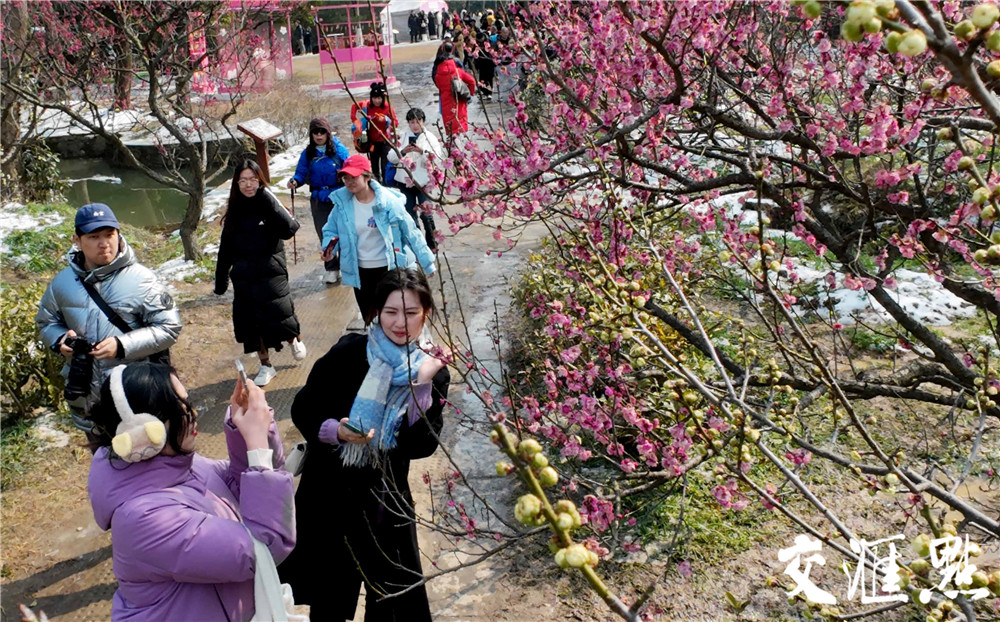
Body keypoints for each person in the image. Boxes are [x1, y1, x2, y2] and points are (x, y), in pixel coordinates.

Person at [278, 268, 450, 622]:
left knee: (389, 600)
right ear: (375, 312)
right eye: (391, 312)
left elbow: (421, 446)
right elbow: (304, 408)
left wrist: (421, 385)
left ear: (426, 313)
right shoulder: (349, 352)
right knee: (329, 599)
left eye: (411, 312)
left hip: (385, 502)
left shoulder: (432, 370)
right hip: (330, 494)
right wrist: (335, 431)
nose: (401, 322)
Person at [88, 362, 295, 621]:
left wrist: (249, 433)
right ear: (143, 433)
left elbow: (241, 487)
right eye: (180, 409)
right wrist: (256, 445)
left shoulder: (183, 465)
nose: (193, 413)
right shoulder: (142, 518)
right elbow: (264, 549)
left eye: (188, 402)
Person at [36, 203, 182, 445]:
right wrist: (60, 339)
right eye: (93, 236)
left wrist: (122, 345)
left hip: (137, 394)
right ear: (77, 240)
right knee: (105, 465)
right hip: (88, 396)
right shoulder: (62, 283)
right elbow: (46, 321)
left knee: (148, 461)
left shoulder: (142, 280)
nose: (104, 243)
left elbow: (169, 328)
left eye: (109, 234)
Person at [215, 160, 306, 387]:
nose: (248, 185)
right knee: (252, 324)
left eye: (253, 180)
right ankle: (266, 365)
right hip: (245, 276)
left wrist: (267, 200)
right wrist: (221, 279)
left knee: (280, 312)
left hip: (271, 270)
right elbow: (225, 247)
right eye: (243, 180)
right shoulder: (234, 209)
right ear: (236, 183)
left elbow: (290, 229)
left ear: (260, 180)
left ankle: (294, 338)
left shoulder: (267, 200)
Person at [319, 154, 436, 325]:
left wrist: (427, 263)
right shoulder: (342, 205)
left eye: (354, 177)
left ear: (366, 176)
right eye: (345, 177)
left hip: (389, 269)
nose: (349, 181)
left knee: (390, 318)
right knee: (370, 318)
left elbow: (411, 232)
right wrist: (329, 249)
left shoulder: (388, 203)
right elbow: (330, 230)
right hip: (360, 271)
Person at [289, 117, 351, 284]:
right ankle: (331, 268)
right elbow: (301, 172)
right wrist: (295, 181)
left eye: (322, 132)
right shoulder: (308, 153)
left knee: (344, 231)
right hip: (318, 199)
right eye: (315, 132)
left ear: (328, 133)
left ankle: (347, 266)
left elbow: (350, 166)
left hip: (338, 197)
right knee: (324, 233)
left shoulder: (338, 149)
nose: (318, 135)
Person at [386, 108, 445, 252]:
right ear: (408, 123)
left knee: (427, 214)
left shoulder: (429, 137)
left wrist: (421, 152)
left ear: (423, 121)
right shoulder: (402, 136)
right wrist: (403, 151)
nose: (415, 125)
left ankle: (432, 245)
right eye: (412, 122)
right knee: (410, 216)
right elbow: (391, 157)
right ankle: (417, 245)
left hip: (424, 182)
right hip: (405, 181)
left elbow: (437, 158)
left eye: (418, 122)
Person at [351, 81, 399, 184]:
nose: (377, 101)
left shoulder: (388, 107)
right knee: (374, 166)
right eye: (374, 98)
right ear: (371, 98)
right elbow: (354, 105)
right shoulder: (367, 106)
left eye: (379, 98)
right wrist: (354, 118)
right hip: (372, 142)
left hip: (386, 141)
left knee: (385, 166)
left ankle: (386, 185)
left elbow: (396, 123)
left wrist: (386, 120)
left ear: (383, 98)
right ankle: (376, 185)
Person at [432, 42, 476, 137]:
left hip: (445, 101)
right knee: (459, 125)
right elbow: (472, 81)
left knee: (450, 127)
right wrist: (470, 93)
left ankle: (452, 145)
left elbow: (438, 85)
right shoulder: (458, 70)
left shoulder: (438, 74)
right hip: (458, 99)